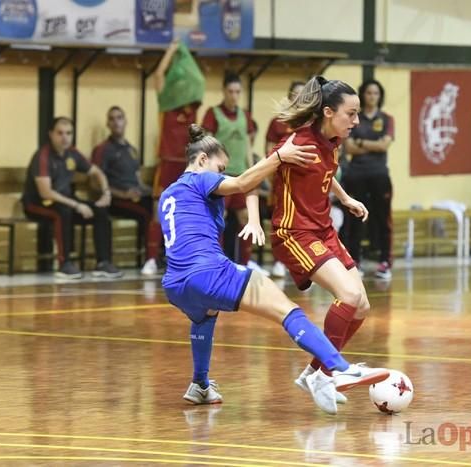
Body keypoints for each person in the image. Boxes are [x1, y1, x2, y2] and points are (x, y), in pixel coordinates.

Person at [159, 124, 388, 415]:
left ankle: (200, 385)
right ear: (202, 160)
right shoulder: (201, 179)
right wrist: (279, 156)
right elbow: (242, 184)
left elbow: (246, 185)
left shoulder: (169, 193)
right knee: (287, 310)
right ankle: (337, 368)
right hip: (208, 271)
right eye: (220, 167)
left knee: (205, 316)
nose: (221, 174)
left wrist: (253, 216)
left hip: (175, 283)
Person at [268, 75, 374, 400]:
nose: (356, 121)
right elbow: (263, 169)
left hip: (323, 229)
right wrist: (278, 159)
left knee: (362, 306)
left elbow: (324, 172)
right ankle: (330, 371)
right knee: (348, 296)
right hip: (295, 232)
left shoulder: (332, 140)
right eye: (351, 114)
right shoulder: (298, 144)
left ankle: (315, 373)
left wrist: (344, 198)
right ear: (328, 112)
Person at [22, 117, 122, 279]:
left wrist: (106, 192)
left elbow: (97, 172)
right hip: (36, 204)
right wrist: (76, 205)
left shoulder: (72, 154)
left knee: (100, 211)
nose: (65, 138)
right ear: (51, 135)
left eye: (69, 133)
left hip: (65, 200)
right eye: (60, 133)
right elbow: (46, 193)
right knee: (63, 213)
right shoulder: (43, 156)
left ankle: (103, 262)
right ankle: (64, 263)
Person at [91, 106, 162, 275]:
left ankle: (161, 256)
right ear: (108, 124)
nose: (116, 122)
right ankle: (151, 258)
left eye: (120, 117)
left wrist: (155, 193)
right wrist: (122, 194)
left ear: (125, 121)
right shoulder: (103, 149)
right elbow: (94, 183)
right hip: (116, 198)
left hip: (135, 196)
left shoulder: (132, 150)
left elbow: (138, 181)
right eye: (112, 118)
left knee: (162, 207)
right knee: (148, 213)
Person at [202, 71, 260, 271]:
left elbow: (247, 145)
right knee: (220, 217)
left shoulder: (245, 115)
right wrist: (209, 173)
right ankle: (215, 262)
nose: (234, 96)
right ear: (223, 91)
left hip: (242, 174)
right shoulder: (213, 113)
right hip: (221, 176)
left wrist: (253, 170)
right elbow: (206, 145)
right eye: (230, 91)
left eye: (237, 92)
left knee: (245, 217)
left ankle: (245, 262)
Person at [343, 79, 395, 279]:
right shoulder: (354, 118)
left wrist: (362, 142)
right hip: (357, 174)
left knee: (383, 218)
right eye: (369, 93)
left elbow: (384, 146)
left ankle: (384, 262)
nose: (372, 96)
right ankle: (355, 261)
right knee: (355, 218)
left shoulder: (387, 119)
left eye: (376, 93)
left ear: (380, 96)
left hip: (379, 174)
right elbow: (348, 148)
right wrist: (374, 143)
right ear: (362, 95)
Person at [153, 39, 205, 199]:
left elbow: (198, 80)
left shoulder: (194, 106)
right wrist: (171, 50)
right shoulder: (165, 104)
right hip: (168, 161)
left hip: (188, 163)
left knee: (185, 205)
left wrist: (186, 56)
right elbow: (158, 74)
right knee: (161, 204)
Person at [266, 80, 305, 278]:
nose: (299, 99)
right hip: (282, 179)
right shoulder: (277, 122)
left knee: (303, 222)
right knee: (281, 220)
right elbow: (269, 152)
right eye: (295, 95)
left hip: (305, 182)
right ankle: (278, 262)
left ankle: (302, 264)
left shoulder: (310, 124)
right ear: (289, 97)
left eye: (303, 95)